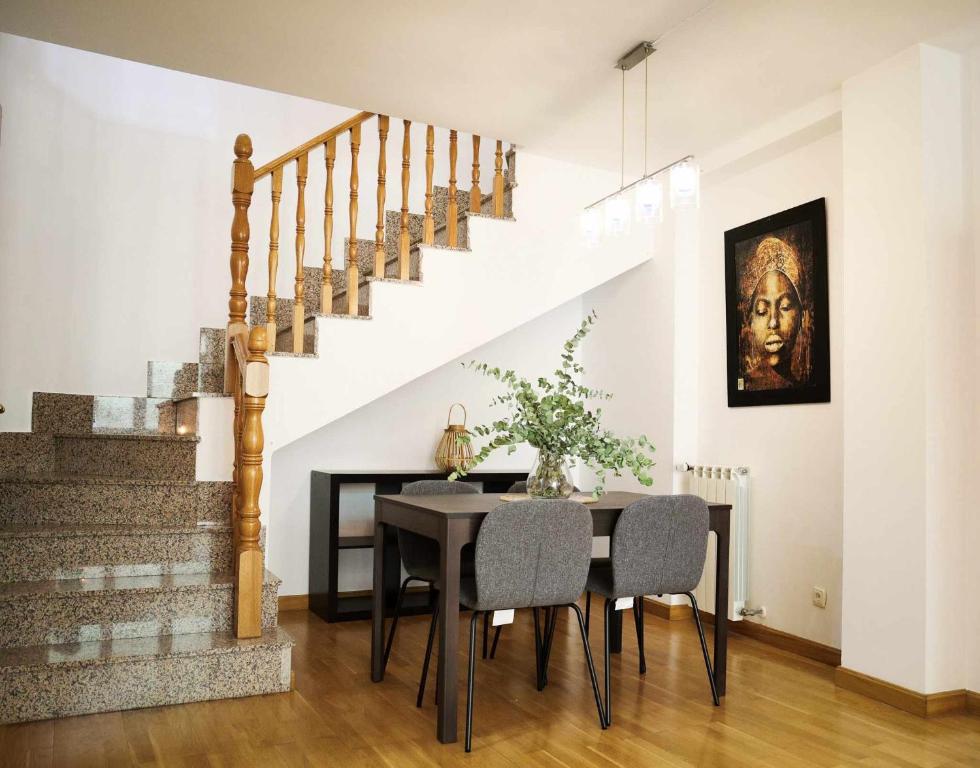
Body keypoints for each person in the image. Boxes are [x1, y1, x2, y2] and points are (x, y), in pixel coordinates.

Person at [739, 236, 810, 390]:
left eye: (784, 307)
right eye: (762, 311)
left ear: (802, 317)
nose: (773, 322)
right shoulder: (744, 386)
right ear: (750, 321)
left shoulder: (805, 386)